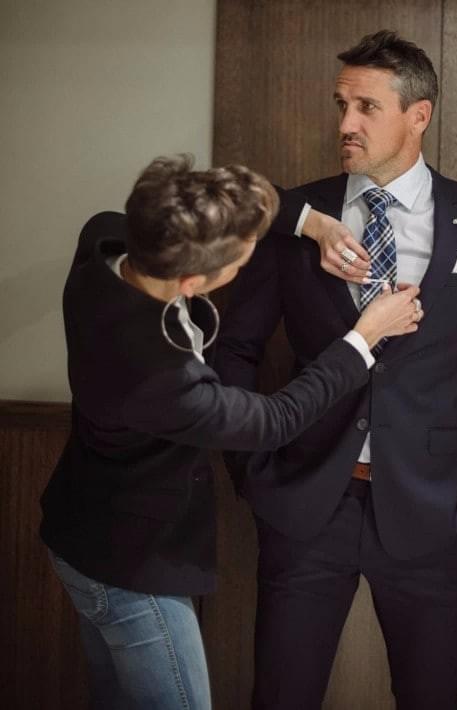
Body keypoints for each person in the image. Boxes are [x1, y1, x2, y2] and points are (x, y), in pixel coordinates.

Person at [215, 30, 457, 710]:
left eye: (366, 107)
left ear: (418, 115)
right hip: (305, 507)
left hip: (434, 516)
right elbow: (234, 349)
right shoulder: (298, 218)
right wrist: (252, 471)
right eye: (341, 104)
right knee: (280, 696)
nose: (346, 123)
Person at [39, 154, 422, 710]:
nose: (247, 260)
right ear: (195, 282)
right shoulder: (160, 378)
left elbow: (230, 201)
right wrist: (363, 338)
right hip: (129, 567)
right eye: (241, 260)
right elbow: (275, 420)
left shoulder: (105, 240)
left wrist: (314, 223)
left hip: (78, 530)